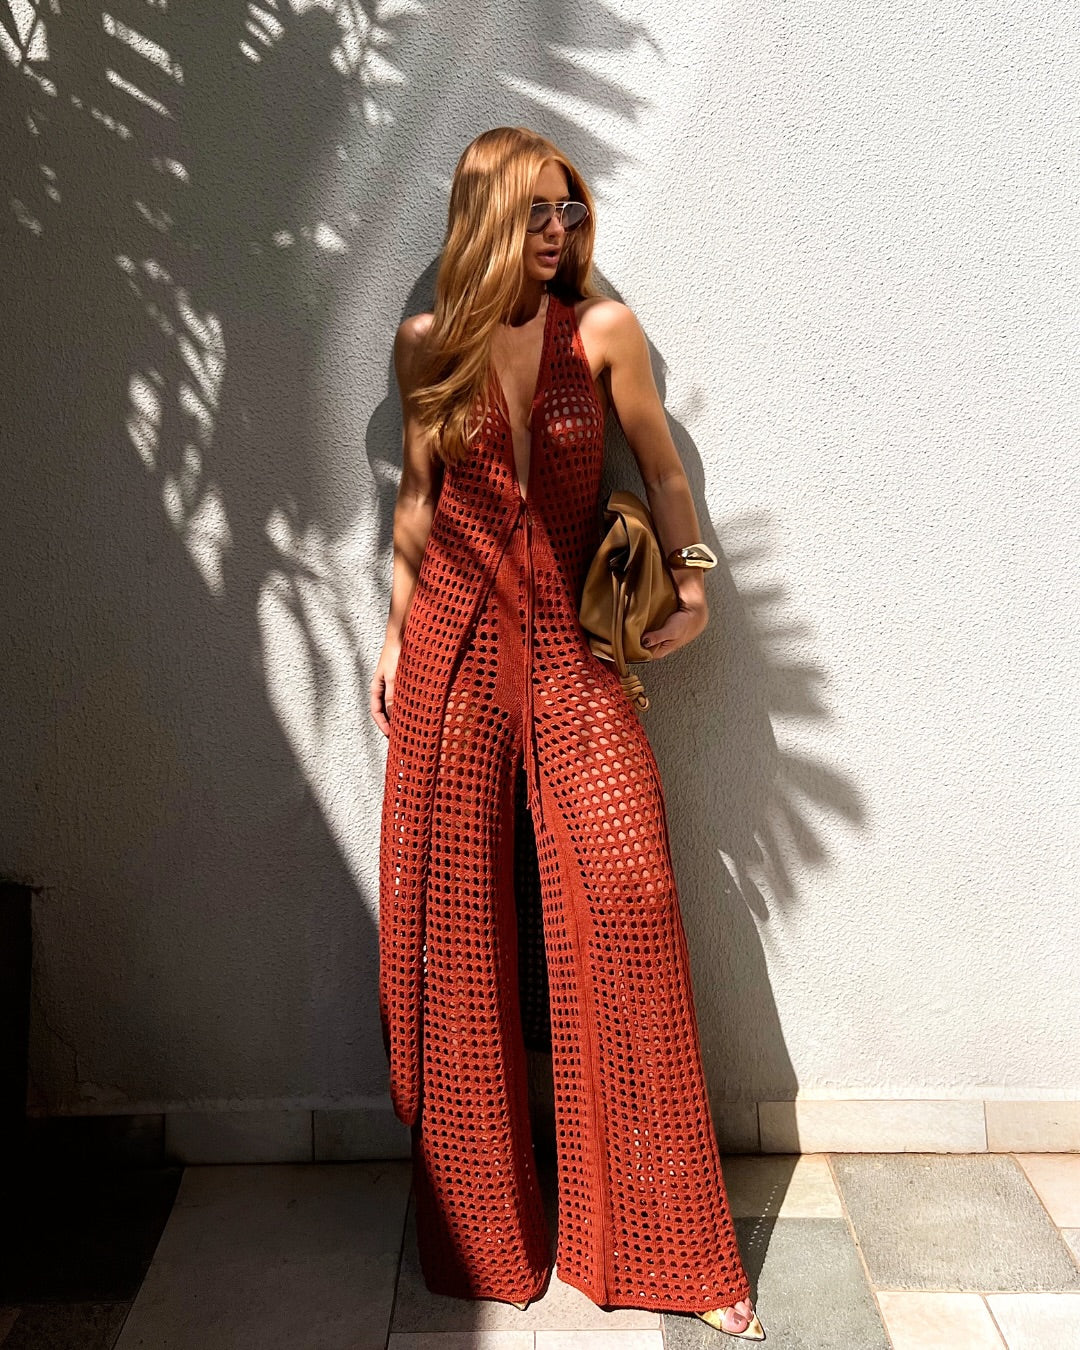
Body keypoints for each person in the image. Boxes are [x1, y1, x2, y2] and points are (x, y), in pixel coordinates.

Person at [370, 125, 765, 1342]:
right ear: (485, 216)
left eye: (570, 210)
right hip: (451, 650)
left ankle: (665, 1245)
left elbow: (667, 475)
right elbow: (418, 501)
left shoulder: (603, 334)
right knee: (458, 935)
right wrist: (389, 638)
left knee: (631, 901)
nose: (559, 230)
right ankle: (485, 1236)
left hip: (572, 655)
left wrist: (694, 583)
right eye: (537, 211)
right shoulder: (427, 343)